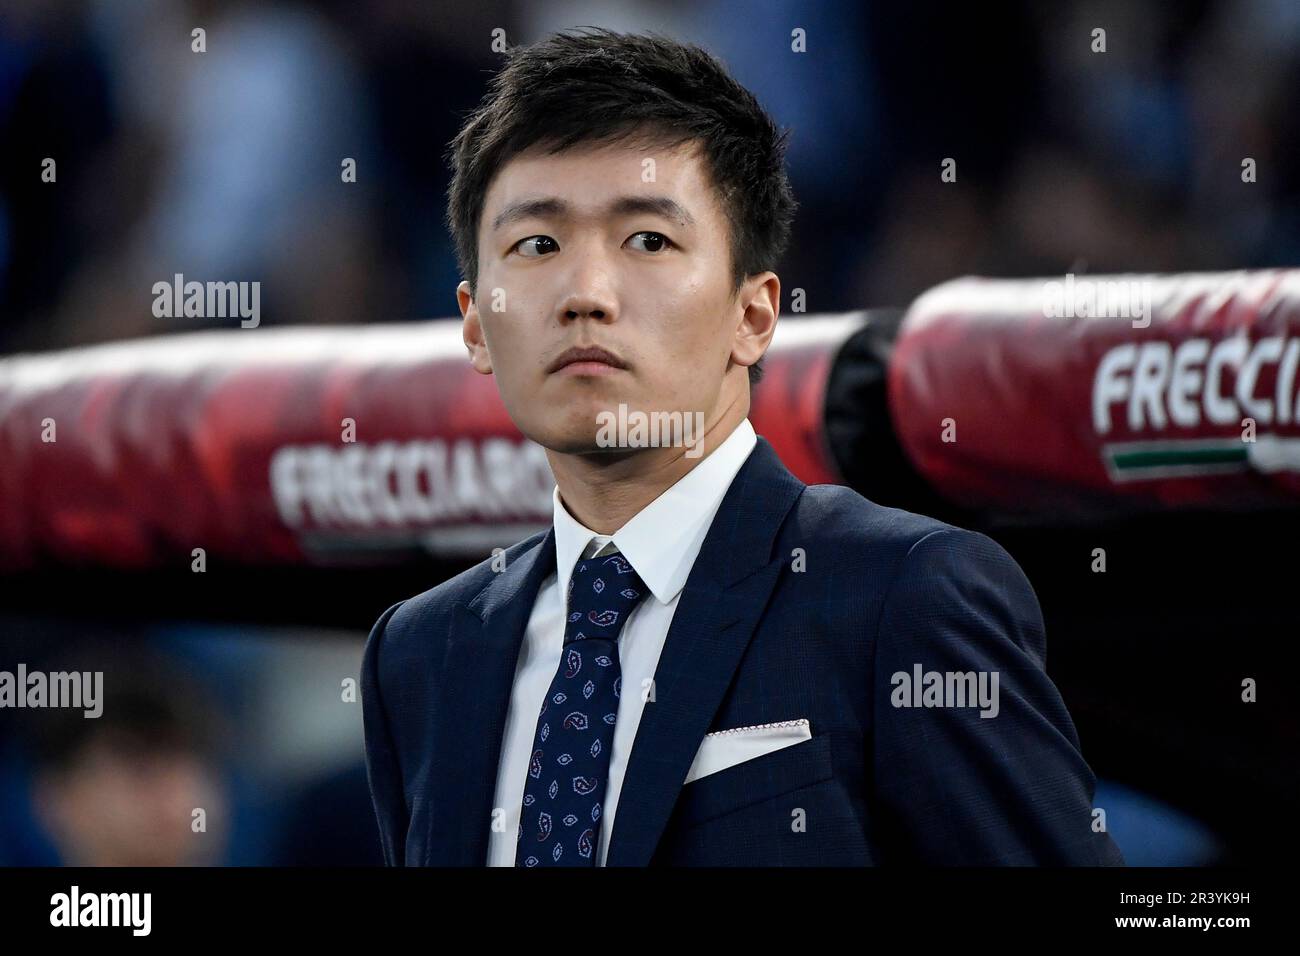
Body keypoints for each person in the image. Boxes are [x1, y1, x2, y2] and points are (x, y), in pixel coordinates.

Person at [360, 27, 1124, 867]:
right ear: (475, 321)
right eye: (536, 245)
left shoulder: (905, 598)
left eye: (648, 239)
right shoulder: (418, 656)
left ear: (753, 315)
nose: (586, 293)